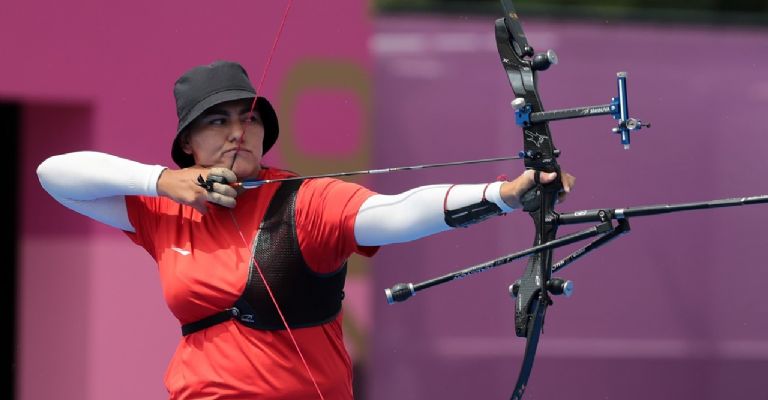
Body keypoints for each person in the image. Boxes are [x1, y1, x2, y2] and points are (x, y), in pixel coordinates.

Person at [36, 60, 575, 400]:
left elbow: (395, 212)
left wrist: (503, 195)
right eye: (217, 121)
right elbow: (55, 175)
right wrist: (162, 181)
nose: (238, 131)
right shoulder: (166, 211)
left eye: (249, 118)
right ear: (187, 145)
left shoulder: (305, 201)